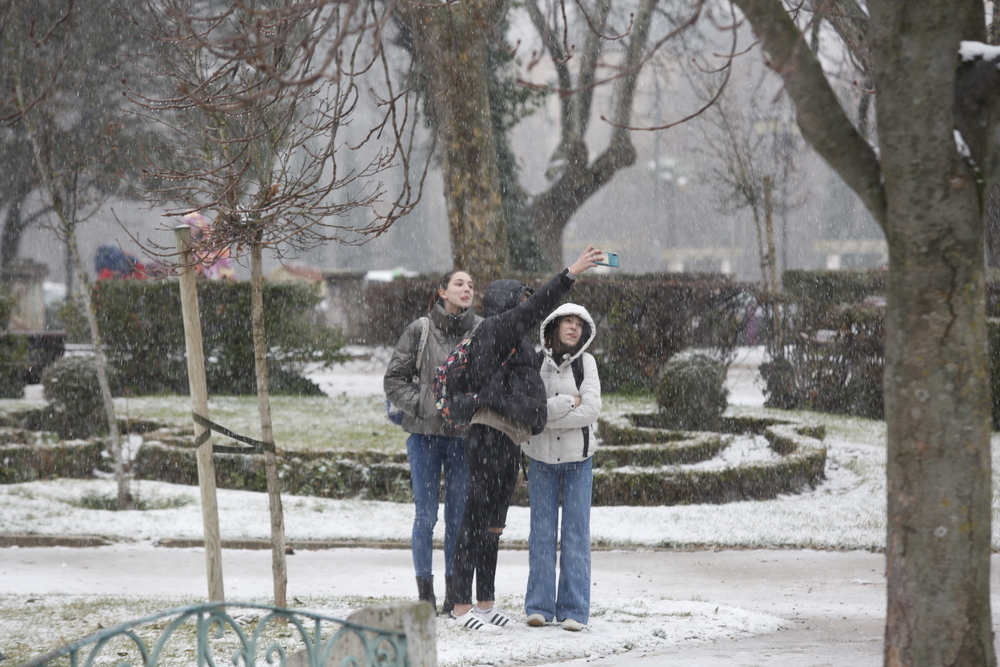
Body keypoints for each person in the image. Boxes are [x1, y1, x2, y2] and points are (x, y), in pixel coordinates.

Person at [447, 246, 604, 632]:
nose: (529, 306)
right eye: (522, 300)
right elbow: (537, 312)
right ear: (505, 303)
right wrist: (571, 273)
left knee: (493, 525)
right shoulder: (496, 329)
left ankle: (485, 602)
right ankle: (461, 606)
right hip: (488, 436)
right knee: (474, 520)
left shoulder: (517, 343)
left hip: (509, 442)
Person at [384, 271, 481, 614]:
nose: (466, 289)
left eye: (470, 285)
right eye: (459, 284)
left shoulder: (480, 330)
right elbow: (393, 380)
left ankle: (455, 593)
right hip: (424, 436)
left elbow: (491, 378)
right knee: (425, 517)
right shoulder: (419, 329)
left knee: (458, 519)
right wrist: (429, 404)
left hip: (463, 439)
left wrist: (468, 405)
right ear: (442, 291)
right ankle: (425, 594)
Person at [522, 303, 601, 632]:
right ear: (553, 327)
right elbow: (529, 409)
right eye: (567, 322)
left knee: (575, 536)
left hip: (578, 463)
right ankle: (539, 606)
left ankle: (574, 610)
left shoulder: (587, 363)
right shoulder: (535, 362)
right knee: (540, 535)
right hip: (539, 462)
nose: (573, 328)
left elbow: (592, 409)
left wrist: (546, 415)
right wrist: (569, 402)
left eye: (579, 324)